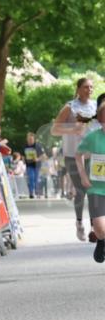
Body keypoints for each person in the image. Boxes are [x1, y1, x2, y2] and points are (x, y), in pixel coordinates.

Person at [51, 78, 97, 241]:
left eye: (91, 87)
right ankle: (79, 222)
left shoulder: (95, 107)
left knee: (94, 190)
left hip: (93, 156)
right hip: (73, 155)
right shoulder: (69, 107)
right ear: (78, 89)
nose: (89, 90)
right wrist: (72, 129)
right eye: (85, 87)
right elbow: (54, 129)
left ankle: (94, 227)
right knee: (80, 191)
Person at [74, 99, 105, 262]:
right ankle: (101, 240)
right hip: (97, 189)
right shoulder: (93, 137)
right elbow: (78, 155)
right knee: (99, 227)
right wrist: (83, 176)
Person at [23, 132, 45, 198]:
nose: (30, 141)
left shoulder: (38, 146)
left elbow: (43, 155)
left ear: (34, 139)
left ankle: (37, 192)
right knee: (31, 178)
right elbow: (23, 155)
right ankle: (31, 193)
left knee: (36, 178)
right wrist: (24, 159)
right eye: (29, 139)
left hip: (37, 165)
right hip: (29, 165)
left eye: (31, 139)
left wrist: (37, 159)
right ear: (27, 139)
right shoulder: (25, 146)